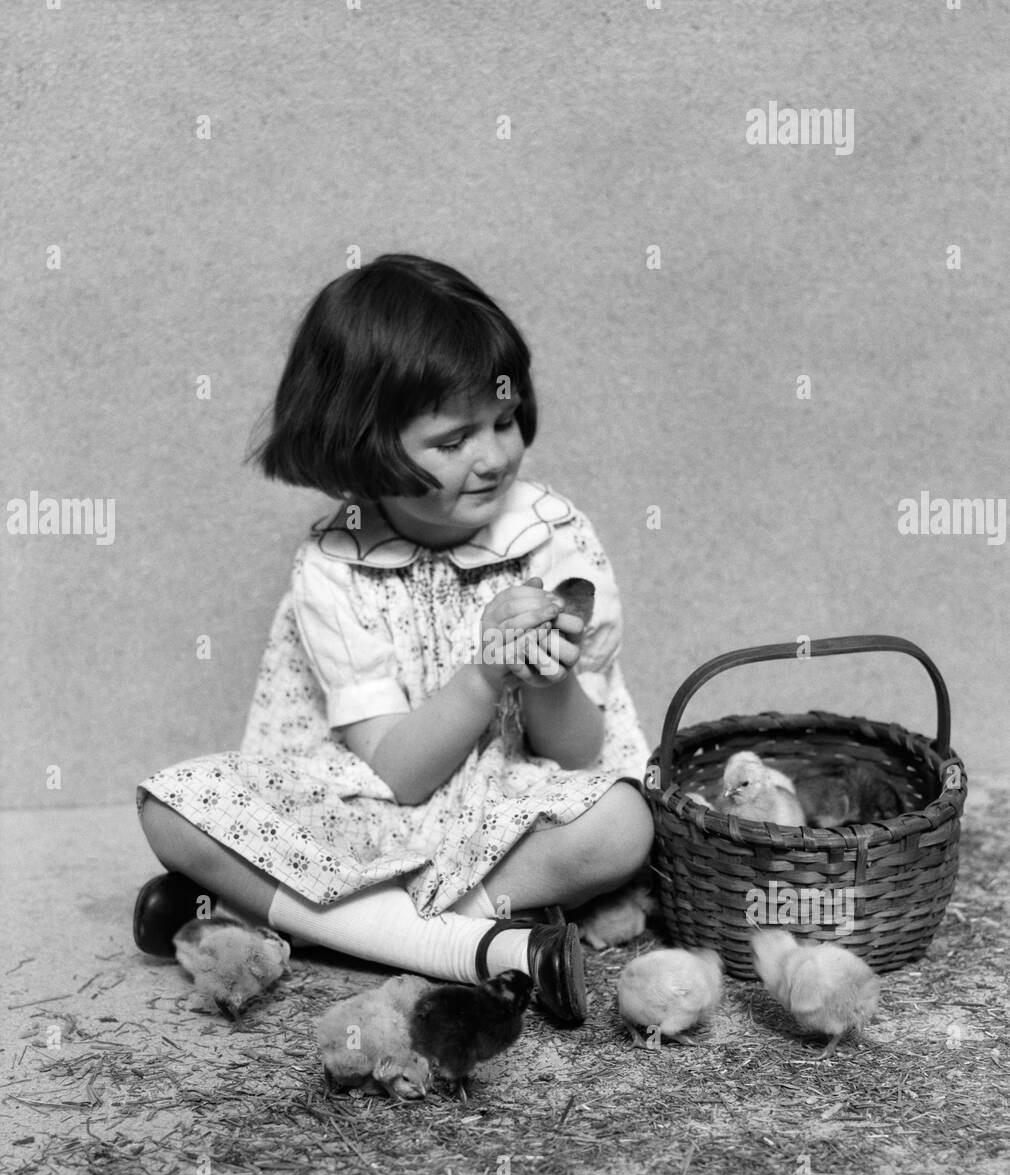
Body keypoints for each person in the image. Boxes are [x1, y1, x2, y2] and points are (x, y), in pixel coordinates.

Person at [133, 253, 653, 1025]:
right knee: (167, 806)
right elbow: (402, 778)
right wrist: (482, 676)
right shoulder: (335, 568)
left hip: (506, 808)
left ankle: (324, 922)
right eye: (453, 441)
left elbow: (576, 756)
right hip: (373, 807)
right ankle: (466, 945)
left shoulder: (552, 538)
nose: (494, 457)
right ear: (365, 446)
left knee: (623, 827)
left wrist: (545, 680)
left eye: (504, 422)